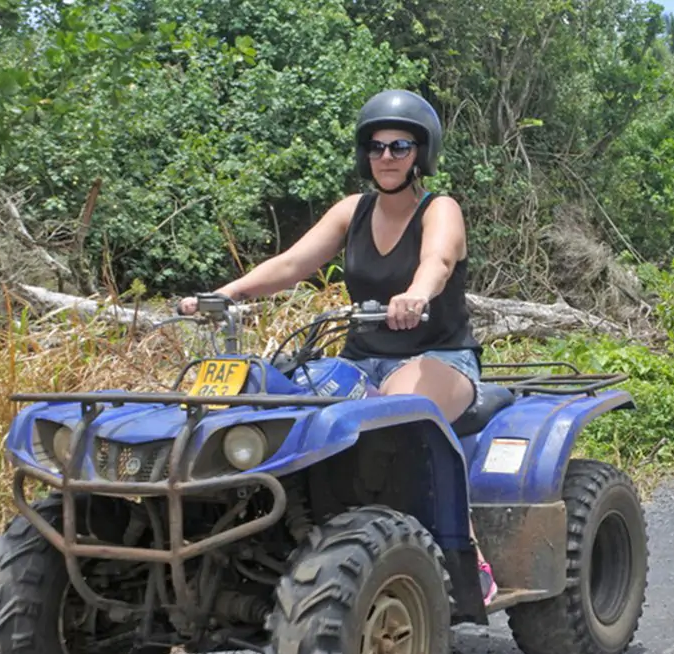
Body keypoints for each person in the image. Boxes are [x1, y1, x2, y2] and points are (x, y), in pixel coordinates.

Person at [177, 89, 498, 605]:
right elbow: (291, 265)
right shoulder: (353, 211)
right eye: (376, 147)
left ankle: (468, 556)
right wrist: (227, 293)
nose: (387, 157)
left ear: (422, 152)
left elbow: (436, 263)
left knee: (399, 414)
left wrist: (417, 295)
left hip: (438, 357)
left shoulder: (441, 209)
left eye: (399, 146)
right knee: (278, 402)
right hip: (358, 358)